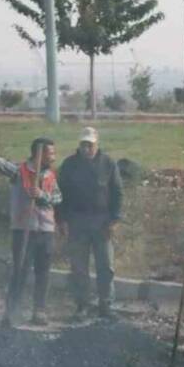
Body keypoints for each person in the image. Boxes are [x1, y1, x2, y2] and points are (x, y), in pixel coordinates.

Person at [0, 138, 62, 327]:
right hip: (24, 229)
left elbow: (58, 198)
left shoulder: (50, 174)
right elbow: (6, 167)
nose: (54, 157)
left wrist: (42, 195)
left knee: (43, 272)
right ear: (38, 154)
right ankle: (12, 311)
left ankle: (39, 311)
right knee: (20, 271)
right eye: (51, 153)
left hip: (46, 230)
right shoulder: (21, 171)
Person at [57, 127, 123, 321]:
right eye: (83, 144)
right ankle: (81, 306)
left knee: (106, 266)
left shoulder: (108, 163)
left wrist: (115, 219)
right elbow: (60, 194)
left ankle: (106, 305)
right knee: (79, 267)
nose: (86, 148)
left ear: (97, 144)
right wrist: (61, 220)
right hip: (77, 221)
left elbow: (118, 192)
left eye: (90, 145)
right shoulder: (69, 165)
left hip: (102, 222)